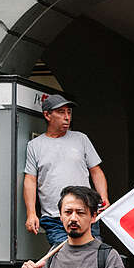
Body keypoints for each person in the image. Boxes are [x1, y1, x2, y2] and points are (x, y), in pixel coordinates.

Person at [23, 93, 109, 246]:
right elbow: (30, 180)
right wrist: (31, 213)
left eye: (69, 112)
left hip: (85, 213)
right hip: (54, 217)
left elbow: (96, 171)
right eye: (61, 112)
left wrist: (104, 198)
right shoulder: (35, 145)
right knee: (63, 257)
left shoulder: (81, 139)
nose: (67, 117)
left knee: (92, 255)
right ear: (47, 115)